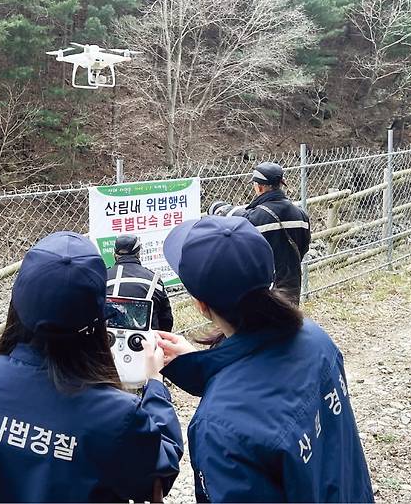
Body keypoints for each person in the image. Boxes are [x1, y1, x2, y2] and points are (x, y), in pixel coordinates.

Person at [0, 231, 183, 503]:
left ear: (17, 303)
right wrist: (154, 383)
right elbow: (160, 471)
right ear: (97, 320)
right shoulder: (115, 415)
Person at [155, 215, 374, 503]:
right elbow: (264, 389)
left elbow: (246, 405)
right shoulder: (315, 338)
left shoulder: (218, 427)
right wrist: (197, 366)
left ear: (201, 305)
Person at [209, 162, 310, 304]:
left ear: (259, 187)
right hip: (292, 286)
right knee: (289, 323)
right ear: (280, 184)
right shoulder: (301, 215)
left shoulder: (253, 218)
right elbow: (304, 247)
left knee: (266, 324)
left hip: (264, 290)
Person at [106, 234, 174, 331]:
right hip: (148, 341)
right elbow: (166, 320)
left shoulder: (104, 278)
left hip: (111, 340)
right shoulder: (154, 279)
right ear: (138, 253)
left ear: (115, 255)